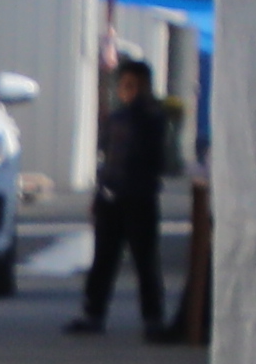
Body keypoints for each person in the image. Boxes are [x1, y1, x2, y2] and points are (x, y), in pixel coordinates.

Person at [76, 51, 180, 340]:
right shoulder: (117, 118)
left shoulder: (153, 119)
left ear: (146, 87)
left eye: (136, 86)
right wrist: (99, 196)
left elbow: (161, 161)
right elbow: (108, 160)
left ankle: (153, 318)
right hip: (112, 197)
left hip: (139, 198)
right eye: (125, 86)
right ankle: (93, 313)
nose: (129, 91)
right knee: (103, 260)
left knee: (145, 261)